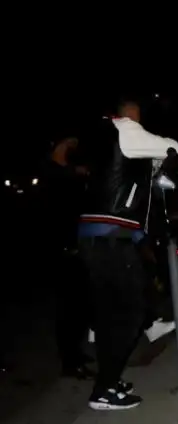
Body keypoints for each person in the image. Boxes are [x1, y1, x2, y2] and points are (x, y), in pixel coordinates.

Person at [79, 97, 178, 411]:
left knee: (112, 315)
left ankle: (108, 381)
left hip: (98, 236)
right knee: (129, 314)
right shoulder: (125, 129)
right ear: (131, 114)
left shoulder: (106, 140)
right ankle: (104, 389)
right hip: (113, 238)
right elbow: (173, 147)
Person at [44, 132, 95, 379]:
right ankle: (70, 361)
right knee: (68, 308)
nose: (74, 145)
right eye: (69, 142)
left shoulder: (69, 172)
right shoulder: (52, 173)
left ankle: (75, 352)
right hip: (63, 249)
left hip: (77, 245)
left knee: (80, 305)